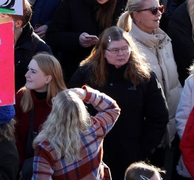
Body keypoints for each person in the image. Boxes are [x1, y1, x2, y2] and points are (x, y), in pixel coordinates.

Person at [67, 27, 166, 178]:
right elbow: (69, 111)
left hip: (131, 152)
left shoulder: (144, 77)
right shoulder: (85, 74)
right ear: (103, 52)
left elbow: (158, 116)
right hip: (91, 151)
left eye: (125, 49)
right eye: (115, 50)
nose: (121, 54)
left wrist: (144, 150)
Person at [31, 86, 120, 180]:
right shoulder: (95, 129)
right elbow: (112, 108)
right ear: (81, 110)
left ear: (54, 113)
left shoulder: (45, 149)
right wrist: (85, 94)